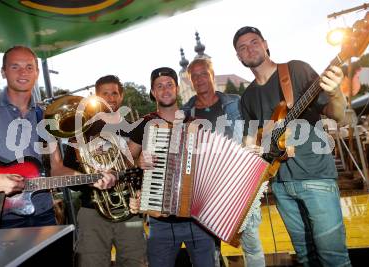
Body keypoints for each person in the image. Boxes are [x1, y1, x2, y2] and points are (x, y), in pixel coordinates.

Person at [0, 45, 115, 229]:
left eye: (29, 67)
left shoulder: (46, 117)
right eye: (15, 66)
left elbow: (57, 169)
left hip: (42, 214)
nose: (23, 72)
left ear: (37, 73)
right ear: (3, 72)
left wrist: (91, 178)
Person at [233, 26, 351, 266]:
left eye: (254, 42)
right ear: (239, 57)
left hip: (315, 176)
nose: (250, 48)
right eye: (242, 47)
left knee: (334, 259)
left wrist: (336, 91)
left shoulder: (296, 69)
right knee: (306, 258)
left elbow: (336, 114)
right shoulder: (247, 97)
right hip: (280, 185)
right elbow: (251, 138)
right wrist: (250, 148)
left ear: (266, 44)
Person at [128, 67, 216, 267]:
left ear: (176, 89)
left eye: (169, 85)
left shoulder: (196, 124)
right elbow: (126, 161)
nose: (165, 90)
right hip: (161, 222)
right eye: (159, 86)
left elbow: (210, 165)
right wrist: (138, 162)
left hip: (198, 219)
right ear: (153, 92)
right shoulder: (144, 124)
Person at [182, 57, 266, 267]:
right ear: (190, 81)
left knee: (252, 245)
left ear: (212, 74)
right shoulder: (184, 114)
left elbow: (257, 130)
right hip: (206, 188)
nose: (200, 79)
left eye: (204, 73)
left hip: (240, 183)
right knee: (210, 251)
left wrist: (256, 145)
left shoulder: (235, 102)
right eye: (195, 76)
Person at [63, 75, 147, 267]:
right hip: (92, 210)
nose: (110, 98)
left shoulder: (134, 128)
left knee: (135, 262)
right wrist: (92, 178)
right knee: (91, 262)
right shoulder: (82, 130)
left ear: (122, 96)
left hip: (130, 211)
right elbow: (67, 170)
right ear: (96, 96)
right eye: (105, 94)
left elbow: (142, 170)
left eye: (115, 93)